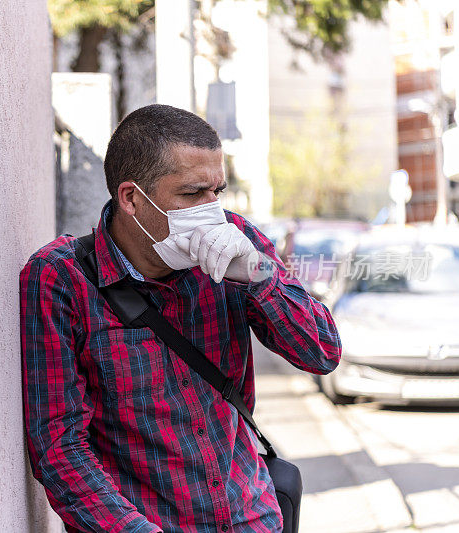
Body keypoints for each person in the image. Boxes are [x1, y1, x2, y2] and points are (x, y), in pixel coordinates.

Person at [19, 104, 341, 532]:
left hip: (253, 517)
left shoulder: (236, 242)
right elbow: (58, 447)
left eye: (217, 192)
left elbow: (322, 353)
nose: (211, 210)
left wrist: (261, 275)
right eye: (192, 194)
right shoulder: (62, 279)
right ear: (131, 198)